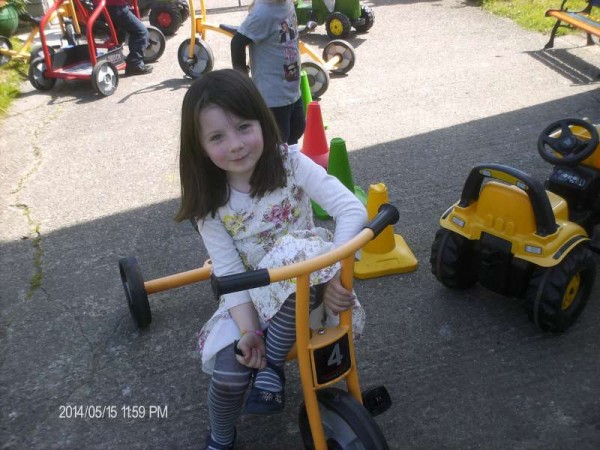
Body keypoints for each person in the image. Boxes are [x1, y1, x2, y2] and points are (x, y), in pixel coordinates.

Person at [175, 69, 367, 450]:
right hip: (249, 302)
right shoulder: (210, 206)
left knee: (300, 257)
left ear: (263, 121)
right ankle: (220, 436)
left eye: (244, 127)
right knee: (230, 375)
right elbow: (230, 273)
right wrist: (249, 332)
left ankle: (273, 368)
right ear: (199, 147)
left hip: (309, 291)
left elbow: (350, 209)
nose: (235, 145)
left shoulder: (291, 163)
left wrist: (335, 280)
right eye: (217, 137)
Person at [231, 0, 304, 145]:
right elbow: (237, 43)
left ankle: (290, 165)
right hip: (273, 97)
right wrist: (242, 79)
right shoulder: (263, 12)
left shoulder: (287, 3)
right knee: (279, 144)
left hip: (292, 88)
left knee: (297, 130)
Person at [100, 0, 153, 75]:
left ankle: (114, 57)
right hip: (116, 6)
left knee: (120, 29)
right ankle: (135, 64)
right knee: (141, 32)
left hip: (100, 8)